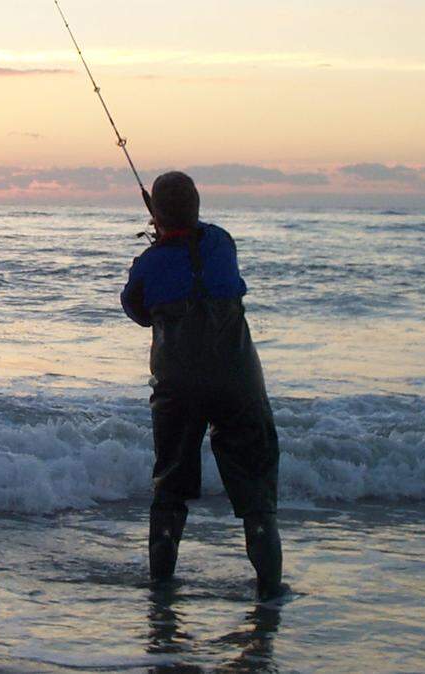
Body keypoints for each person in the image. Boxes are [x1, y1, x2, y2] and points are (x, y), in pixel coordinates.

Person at [121, 171, 284, 601]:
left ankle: (161, 592)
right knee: (256, 491)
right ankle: (270, 592)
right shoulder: (222, 243)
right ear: (197, 207)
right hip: (239, 381)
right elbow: (197, 252)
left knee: (171, 485)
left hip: (178, 386)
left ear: (156, 215)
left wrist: (156, 246)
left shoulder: (149, 264)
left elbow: (136, 309)